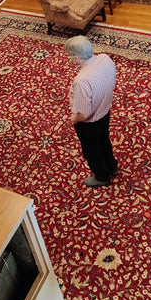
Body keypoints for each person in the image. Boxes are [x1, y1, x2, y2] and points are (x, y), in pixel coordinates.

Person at [65, 35, 117, 187]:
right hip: (105, 111)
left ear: (75, 57)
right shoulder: (105, 58)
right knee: (104, 140)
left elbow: (84, 114)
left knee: (91, 150)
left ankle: (102, 177)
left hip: (90, 123)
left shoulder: (82, 81)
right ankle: (112, 167)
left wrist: (73, 119)